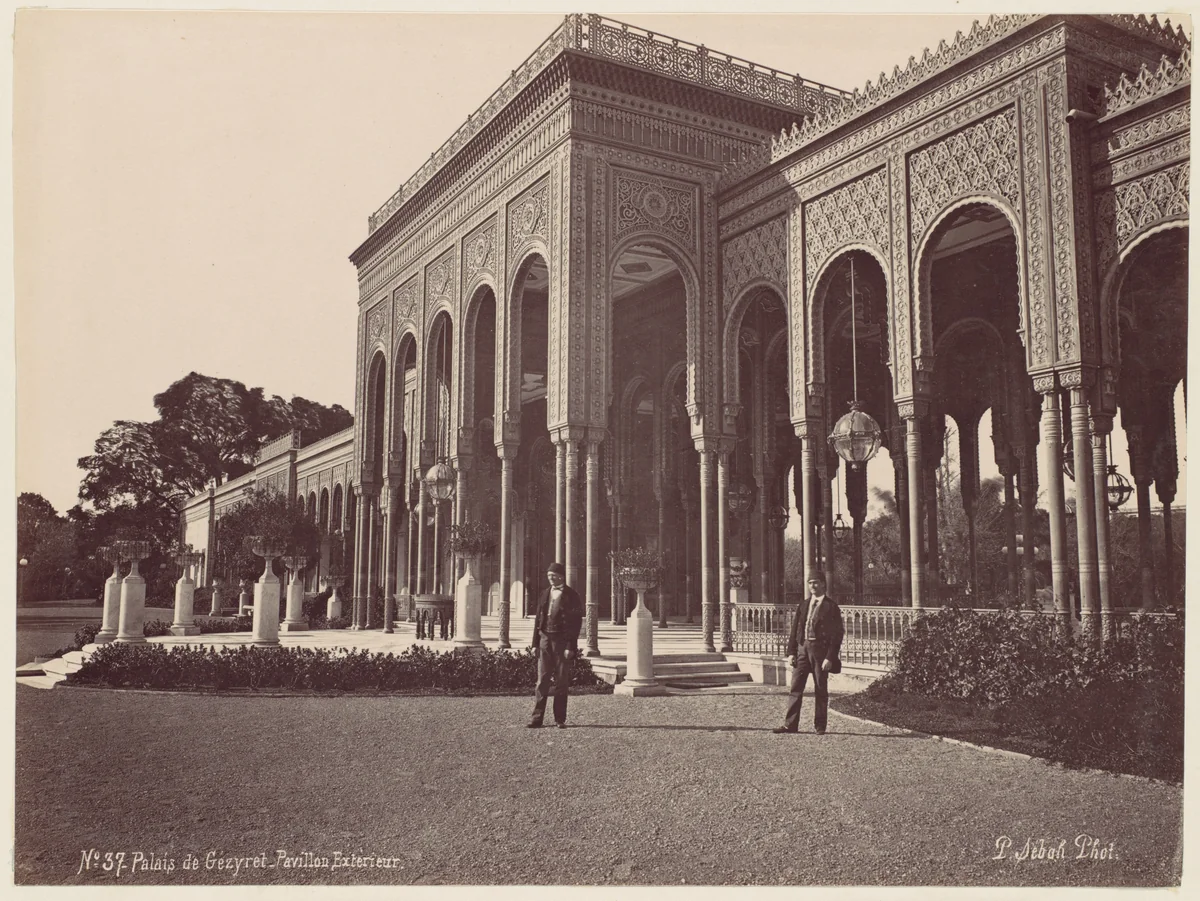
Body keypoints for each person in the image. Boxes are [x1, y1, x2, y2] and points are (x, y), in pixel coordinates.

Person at [773, 571, 843, 735]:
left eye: (816, 582)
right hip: (802, 649)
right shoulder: (804, 605)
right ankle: (790, 725)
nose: (813, 586)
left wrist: (830, 657)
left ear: (823, 584)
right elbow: (795, 630)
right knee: (795, 687)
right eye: (810, 583)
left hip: (820, 652)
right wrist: (791, 652)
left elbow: (837, 635)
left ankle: (820, 726)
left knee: (820, 688)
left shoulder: (831, 607)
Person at [527, 562, 584, 729]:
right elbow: (538, 620)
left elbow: (575, 624)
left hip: (561, 641)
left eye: (553, 576)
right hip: (544, 638)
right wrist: (535, 643)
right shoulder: (545, 593)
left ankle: (560, 719)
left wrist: (570, 646)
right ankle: (536, 718)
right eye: (548, 576)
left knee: (561, 680)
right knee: (542, 680)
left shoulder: (572, 596)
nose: (550, 579)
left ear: (561, 576)